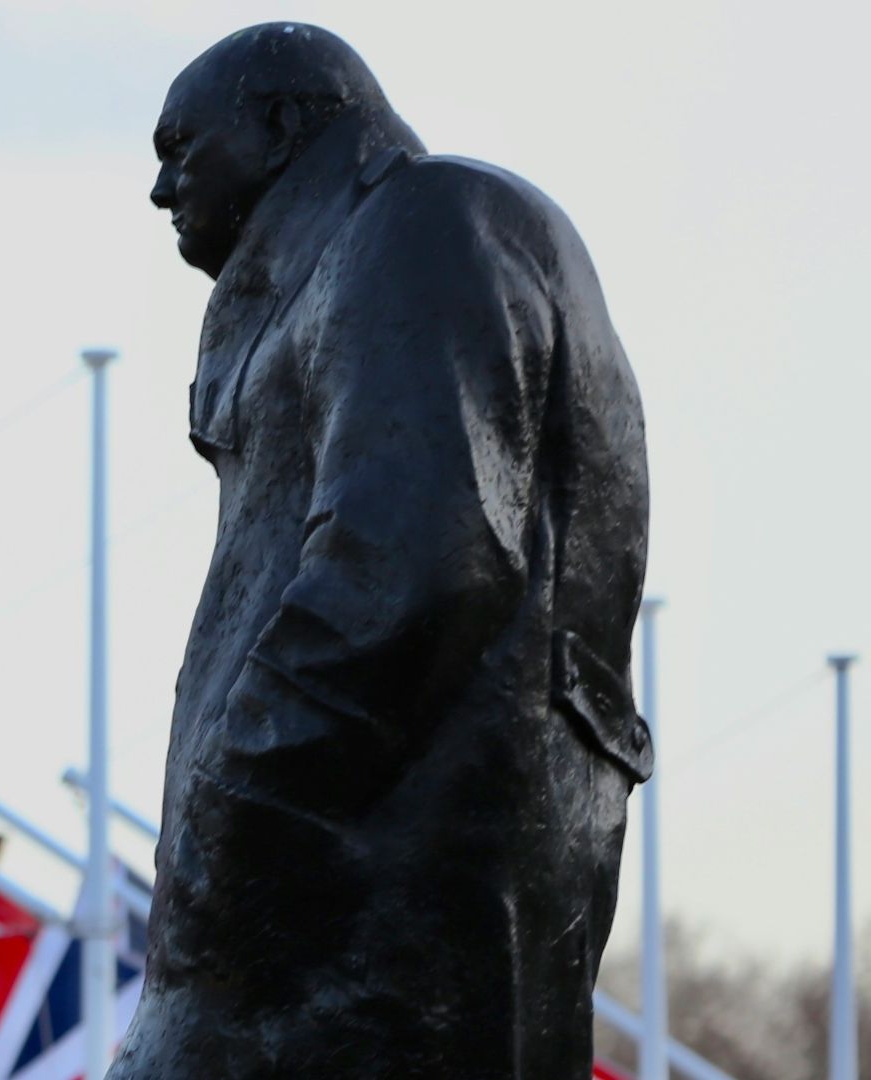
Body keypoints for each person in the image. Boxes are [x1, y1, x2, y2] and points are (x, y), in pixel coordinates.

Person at [110, 23, 652, 1079]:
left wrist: (234, 807)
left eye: (183, 147)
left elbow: (420, 564)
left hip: (365, 889)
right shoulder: (355, 257)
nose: (164, 188)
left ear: (281, 125)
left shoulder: (423, 223)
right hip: (338, 886)